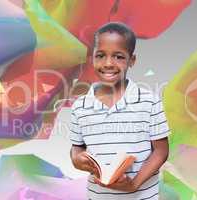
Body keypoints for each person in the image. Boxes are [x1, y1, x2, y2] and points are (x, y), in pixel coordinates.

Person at [69, 22, 170, 200]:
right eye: (100, 55)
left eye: (118, 56)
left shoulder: (149, 101)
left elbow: (161, 151)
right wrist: (76, 158)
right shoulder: (80, 106)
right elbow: (77, 146)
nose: (108, 63)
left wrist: (134, 184)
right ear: (92, 59)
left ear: (132, 60)